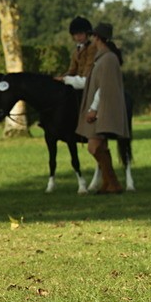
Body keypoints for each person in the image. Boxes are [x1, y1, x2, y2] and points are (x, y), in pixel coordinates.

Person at [76, 23, 130, 194]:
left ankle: (113, 182)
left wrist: (93, 109)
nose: (91, 39)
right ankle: (109, 183)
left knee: (94, 147)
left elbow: (103, 88)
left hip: (101, 111)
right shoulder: (104, 57)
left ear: (97, 38)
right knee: (101, 147)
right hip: (101, 110)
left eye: (93, 37)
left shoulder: (108, 59)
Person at [56, 16, 97, 89]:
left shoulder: (92, 48)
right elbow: (72, 70)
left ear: (87, 33)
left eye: (81, 33)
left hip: (88, 83)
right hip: (76, 82)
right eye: (75, 34)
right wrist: (62, 77)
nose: (78, 36)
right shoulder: (75, 52)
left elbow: (88, 69)